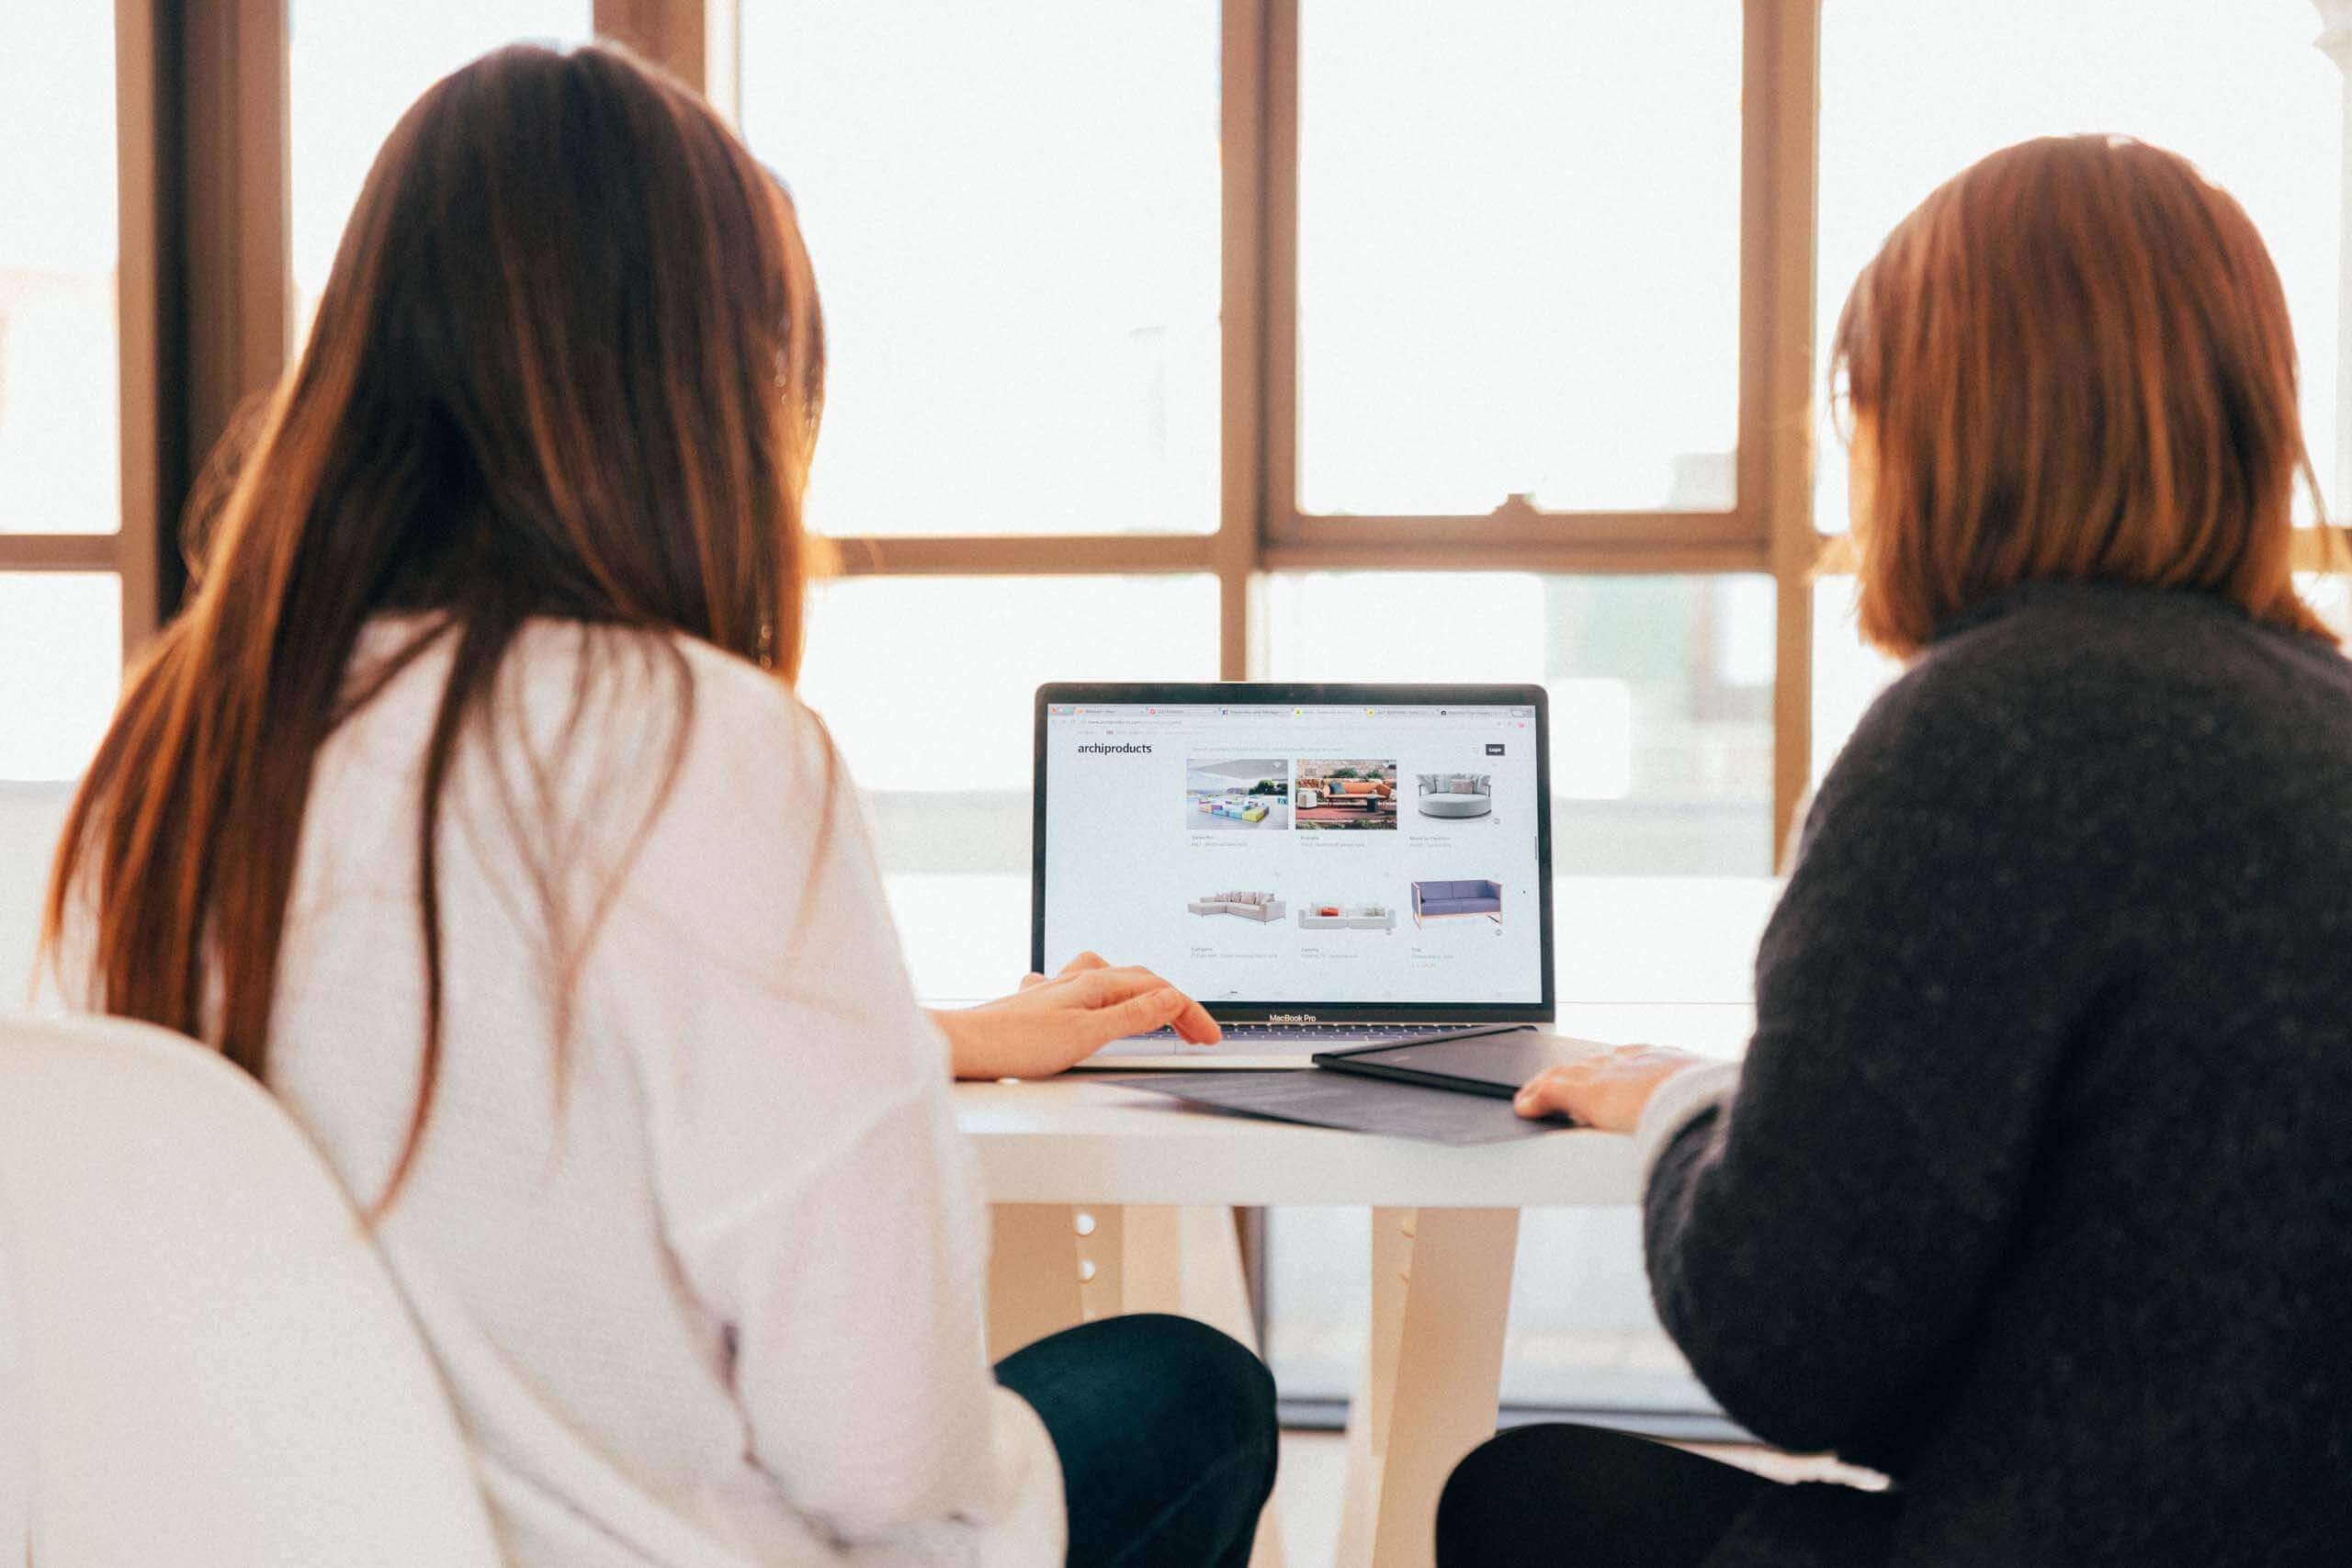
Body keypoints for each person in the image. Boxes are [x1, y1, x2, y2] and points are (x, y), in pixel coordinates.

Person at [40, 42, 1273, 1568]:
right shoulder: (697, 741)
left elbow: (473, 1067)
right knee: (1188, 1388)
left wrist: (925, 1035)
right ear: (706, 390)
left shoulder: (173, 745)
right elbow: (882, 1457)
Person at [1442, 134, 2352, 1567]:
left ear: (1932, 423)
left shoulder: (1985, 732)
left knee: (1514, 1501)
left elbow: (1792, 1352)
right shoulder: (2322, 709)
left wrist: (1687, 1110)